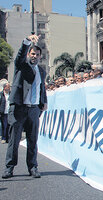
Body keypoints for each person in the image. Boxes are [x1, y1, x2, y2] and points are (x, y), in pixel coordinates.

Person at [2, 34, 47, 179]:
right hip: (19, 109)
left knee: (32, 140)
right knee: (14, 141)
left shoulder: (41, 71)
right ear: (29, 54)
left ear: (40, 56)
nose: (35, 56)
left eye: (37, 54)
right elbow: (20, 55)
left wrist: (43, 102)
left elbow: (42, 88)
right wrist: (27, 41)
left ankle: (33, 167)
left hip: (34, 110)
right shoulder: (21, 65)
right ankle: (9, 168)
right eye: (33, 53)